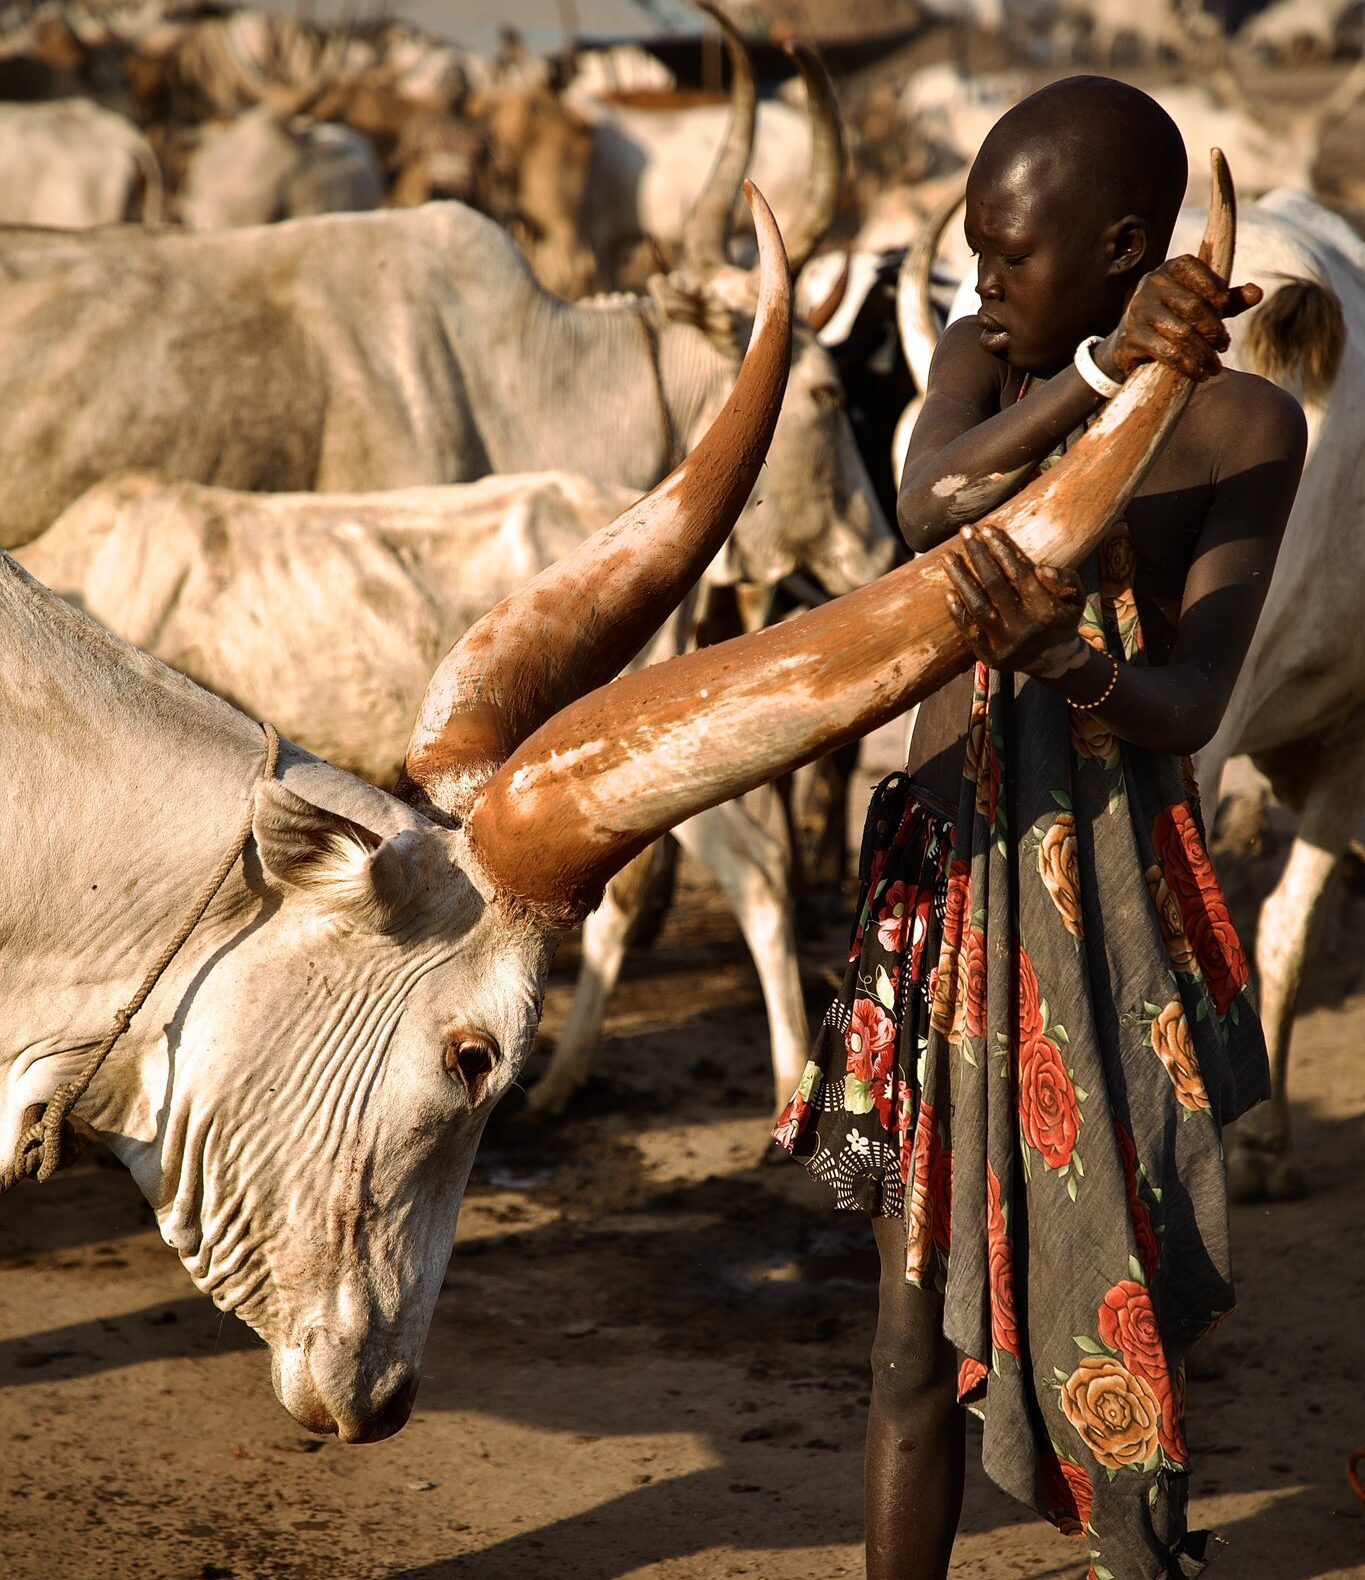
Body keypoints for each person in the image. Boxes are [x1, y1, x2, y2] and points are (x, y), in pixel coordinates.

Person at [773, 76, 1307, 1580]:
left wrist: (1077, 667)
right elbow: (932, 498)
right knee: (900, 1344)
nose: (979, 283)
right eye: (973, 252)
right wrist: (1086, 370)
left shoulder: (1249, 427)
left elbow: (1192, 697)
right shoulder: (981, 359)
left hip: (1121, 924)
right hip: (945, 892)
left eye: (1009, 255)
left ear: (1126, 245)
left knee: (1116, 1284)